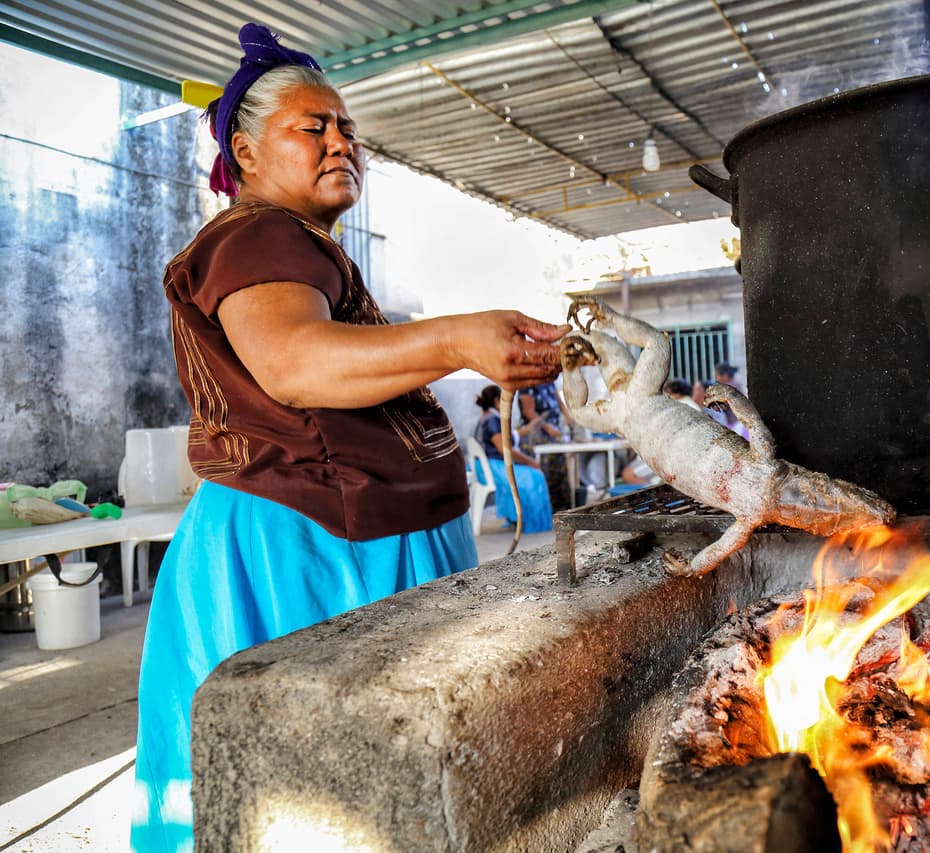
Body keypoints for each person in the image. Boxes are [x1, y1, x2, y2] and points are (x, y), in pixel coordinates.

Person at [131, 24, 566, 852]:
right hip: (306, 548)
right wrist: (457, 340)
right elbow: (295, 363)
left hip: (337, 537)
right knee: (332, 800)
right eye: (314, 127)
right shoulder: (258, 235)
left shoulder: (303, 248)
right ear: (247, 153)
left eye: (347, 129)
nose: (342, 142)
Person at [474, 384, 554, 530]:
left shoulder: (487, 417)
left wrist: (529, 428)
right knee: (535, 476)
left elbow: (507, 438)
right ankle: (533, 522)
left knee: (527, 473)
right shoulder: (492, 420)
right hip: (492, 467)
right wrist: (530, 461)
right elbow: (504, 450)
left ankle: (516, 518)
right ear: (497, 400)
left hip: (486, 465)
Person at [516, 381, 571, 510]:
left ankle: (562, 508)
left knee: (560, 469)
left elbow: (560, 403)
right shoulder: (527, 384)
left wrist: (569, 417)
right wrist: (548, 427)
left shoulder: (549, 382)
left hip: (554, 434)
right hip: (536, 435)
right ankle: (546, 508)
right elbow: (529, 412)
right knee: (546, 471)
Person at [708, 362, 749, 438]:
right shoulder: (734, 383)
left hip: (734, 422)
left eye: (717, 375)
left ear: (725, 376)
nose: (715, 378)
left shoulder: (729, 387)